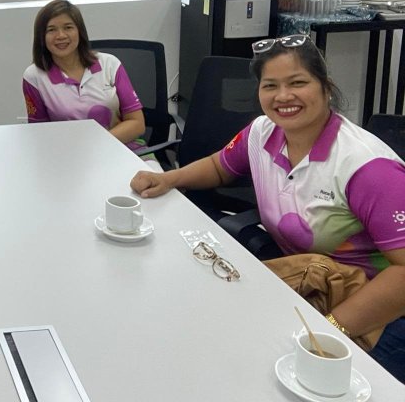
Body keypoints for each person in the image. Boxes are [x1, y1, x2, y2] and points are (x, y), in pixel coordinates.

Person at [130, 34, 405, 382]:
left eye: (298, 83)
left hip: (378, 309)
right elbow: (220, 166)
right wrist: (169, 179)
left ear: (326, 87)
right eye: (270, 85)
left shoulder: (366, 167)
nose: (283, 96)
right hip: (308, 284)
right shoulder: (263, 132)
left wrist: (329, 330)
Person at [23, 0, 146, 149]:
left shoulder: (110, 64)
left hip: (123, 147)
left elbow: (137, 123)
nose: (61, 35)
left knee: (150, 166)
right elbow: (39, 133)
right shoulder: (34, 76)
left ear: (79, 31)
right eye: (51, 30)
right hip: (69, 153)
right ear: (41, 37)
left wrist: (96, 145)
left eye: (68, 27)